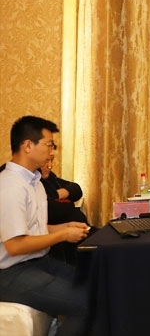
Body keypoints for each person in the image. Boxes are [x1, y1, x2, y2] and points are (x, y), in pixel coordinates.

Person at [0, 115, 90, 336]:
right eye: (49, 145)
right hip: (9, 272)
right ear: (28, 146)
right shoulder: (10, 186)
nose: (52, 152)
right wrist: (62, 236)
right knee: (86, 302)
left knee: (93, 284)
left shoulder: (34, 182)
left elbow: (34, 229)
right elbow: (15, 245)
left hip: (37, 261)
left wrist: (65, 227)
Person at [40, 154, 91, 264]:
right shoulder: (34, 183)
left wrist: (57, 194)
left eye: (51, 160)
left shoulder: (52, 179)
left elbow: (76, 189)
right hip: (61, 241)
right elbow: (53, 210)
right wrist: (65, 199)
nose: (50, 166)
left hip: (78, 230)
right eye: (46, 161)